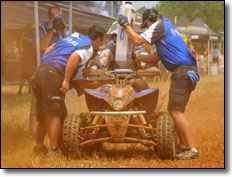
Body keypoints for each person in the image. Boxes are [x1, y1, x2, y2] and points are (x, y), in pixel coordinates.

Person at [118, 8, 200, 160]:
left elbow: (137, 40)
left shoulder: (159, 26)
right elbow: (154, 58)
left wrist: (125, 25)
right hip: (188, 71)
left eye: (147, 25)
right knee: (174, 110)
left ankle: (192, 149)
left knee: (176, 112)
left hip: (182, 71)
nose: (147, 28)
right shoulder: (167, 28)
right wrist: (136, 58)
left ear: (151, 19)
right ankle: (183, 145)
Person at [32, 25, 110, 155]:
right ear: (98, 39)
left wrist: (45, 68)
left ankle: (39, 146)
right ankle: (54, 150)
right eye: (101, 41)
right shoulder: (88, 47)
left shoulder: (74, 37)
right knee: (54, 113)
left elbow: (49, 49)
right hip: (53, 73)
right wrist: (66, 80)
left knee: (48, 113)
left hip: (41, 71)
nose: (99, 46)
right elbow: (74, 57)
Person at [29, 5, 70, 134]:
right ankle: (33, 133)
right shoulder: (41, 28)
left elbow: (69, 44)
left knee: (56, 102)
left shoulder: (64, 30)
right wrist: (52, 30)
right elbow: (40, 46)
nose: (57, 20)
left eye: (59, 17)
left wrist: (62, 31)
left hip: (57, 71)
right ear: (48, 17)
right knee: (37, 103)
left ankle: (57, 131)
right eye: (54, 17)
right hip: (42, 68)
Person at [91, 21, 150, 93]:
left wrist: (150, 67)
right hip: (113, 82)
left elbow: (145, 60)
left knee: (141, 85)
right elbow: (102, 60)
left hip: (133, 81)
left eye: (122, 36)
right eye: (116, 37)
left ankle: (150, 104)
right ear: (112, 37)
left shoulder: (135, 50)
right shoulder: (111, 51)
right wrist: (94, 68)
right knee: (104, 91)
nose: (119, 40)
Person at [18, 24, 37, 95]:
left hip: (28, 59)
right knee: (26, 76)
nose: (32, 31)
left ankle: (27, 90)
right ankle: (23, 91)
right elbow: (20, 48)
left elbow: (19, 48)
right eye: (32, 29)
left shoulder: (27, 37)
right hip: (29, 60)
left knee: (27, 76)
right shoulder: (29, 38)